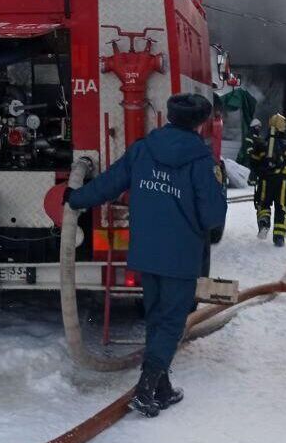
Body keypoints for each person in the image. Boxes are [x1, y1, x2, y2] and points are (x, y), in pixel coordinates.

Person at [65, 94, 228, 418]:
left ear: (170, 116)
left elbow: (110, 183)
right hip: (180, 256)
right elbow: (213, 216)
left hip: (146, 251)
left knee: (156, 316)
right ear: (200, 122)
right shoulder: (201, 161)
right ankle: (146, 388)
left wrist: (76, 198)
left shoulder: (143, 149)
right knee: (171, 323)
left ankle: (162, 388)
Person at [253, 113, 286, 247]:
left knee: (263, 204)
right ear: (282, 126)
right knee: (281, 207)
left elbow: (253, 162)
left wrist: (261, 172)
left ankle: (264, 223)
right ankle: (279, 237)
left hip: (265, 181)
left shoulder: (262, 143)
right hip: (282, 183)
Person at [240, 118, 264, 191]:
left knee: (256, 169)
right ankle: (251, 181)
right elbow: (248, 146)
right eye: (257, 127)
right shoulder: (250, 135)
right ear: (254, 126)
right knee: (251, 169)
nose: (258, 128)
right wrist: (251, 153)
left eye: (259, 127)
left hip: (256, 157)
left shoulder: (257, 136)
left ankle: (254, 181)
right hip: (251, 157)